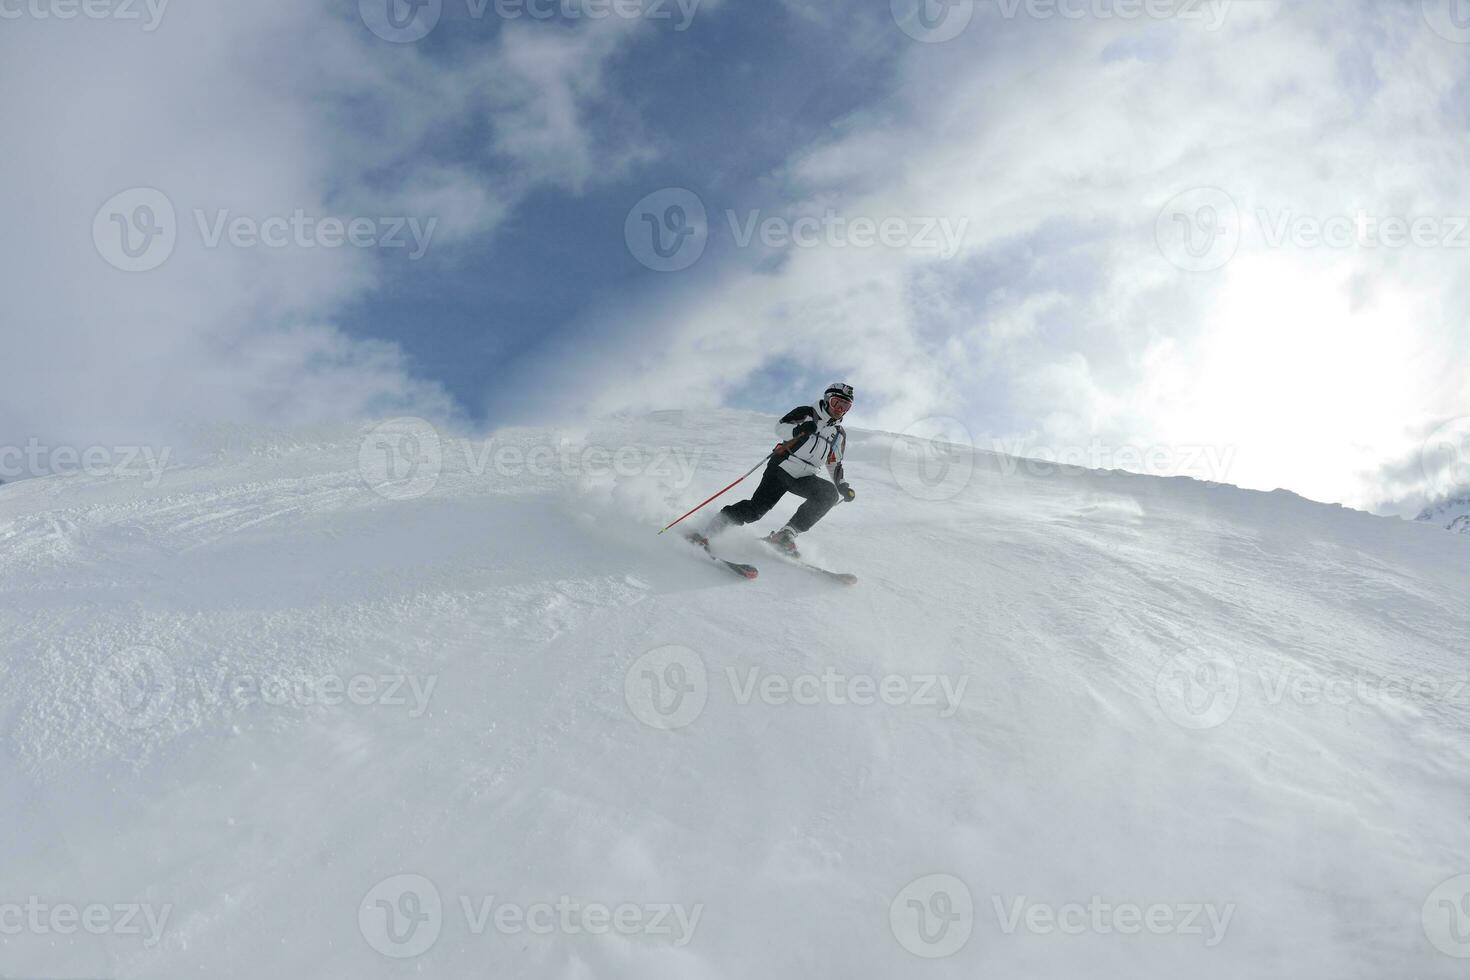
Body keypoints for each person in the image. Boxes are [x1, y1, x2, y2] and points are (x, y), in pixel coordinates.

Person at [699, 382, 856, 555]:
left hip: (805, 477)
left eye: (846, 406)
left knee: (829, 494)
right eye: (837, 403)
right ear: (827, 400)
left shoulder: (839, 434)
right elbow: (780, 427)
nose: (840, 409)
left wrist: (842, 485)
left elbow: (834, 462)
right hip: (782, 469)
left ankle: (786, 535)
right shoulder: (807, 413)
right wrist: (798, 430)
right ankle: (713, 529)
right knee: (755, 511)